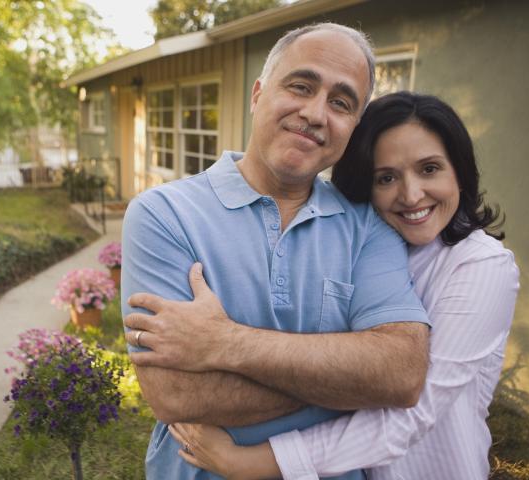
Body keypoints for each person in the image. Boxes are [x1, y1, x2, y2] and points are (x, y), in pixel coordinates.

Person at [120, 23, 431, 479]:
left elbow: (401, 374)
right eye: (301, 86)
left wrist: (223, 343)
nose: (316, 112)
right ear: (257, 94)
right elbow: (176, 394)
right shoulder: (164, 214)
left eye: (340, 102)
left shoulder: (368, 226)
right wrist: (350, 378)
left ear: (353, 129)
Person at [161, 92, 520, 479]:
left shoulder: (481, 265)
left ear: (460, 173)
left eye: (430, 169)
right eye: (386, 177)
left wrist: (254, 462)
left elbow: (413, 411)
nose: (411, 194)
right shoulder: (366, 242)